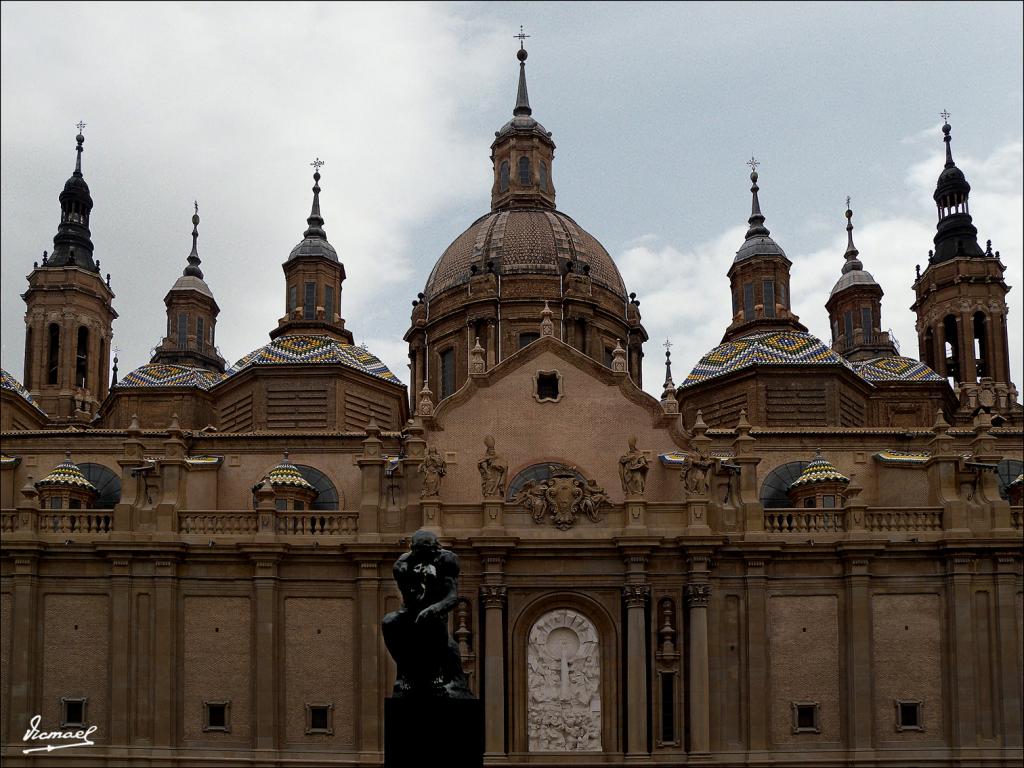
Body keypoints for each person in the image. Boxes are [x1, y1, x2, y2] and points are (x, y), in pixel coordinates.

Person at [382, 529, 472, 698]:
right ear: (412, 549)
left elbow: (452, 597)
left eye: (428, 553)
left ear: (436, 548)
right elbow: (410, 600)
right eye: (419, 553)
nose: (424, 558)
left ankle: (439, 677)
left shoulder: (447, 560)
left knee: (433, 622)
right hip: (412, 612)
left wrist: (434, 607)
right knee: (389, 622)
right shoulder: (402, 566)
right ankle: (405, 673)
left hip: (436, 613)